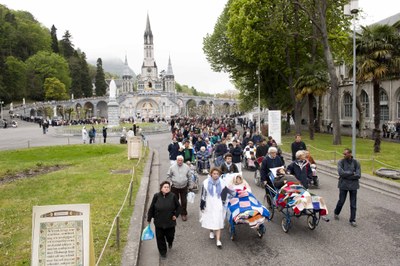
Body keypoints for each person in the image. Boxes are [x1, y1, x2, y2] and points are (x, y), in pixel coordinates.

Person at [147, 181, 181, 259]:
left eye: (168, 187)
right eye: (165, 187)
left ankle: (170, 242)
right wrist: (149, 218)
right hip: (159, 222)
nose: (166, 188)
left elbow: (178, 207)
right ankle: (163, 252)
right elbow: (152, 207)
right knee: (160, 237)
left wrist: (175, 215)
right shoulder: (156, 196)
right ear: (161, 188)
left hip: (170, 222)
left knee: (170, 236)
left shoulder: (173, 196)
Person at [200, 167, 230, 248]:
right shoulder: (206, 182)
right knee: (211, 218)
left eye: (217, 174)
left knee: (217, 219)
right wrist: (202, 205)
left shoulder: (222, 182)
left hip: (218, 203)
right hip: (209, 203)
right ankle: (211, 231)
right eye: (214, 174)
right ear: (211, 174)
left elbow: (226, 193)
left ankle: (218, 240)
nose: (216, 175)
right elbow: (203, 195)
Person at [333, 148, 361, 227]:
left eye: (345, 154)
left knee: (353, 204)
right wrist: (352, 173)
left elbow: (358, 175)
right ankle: (336, 212)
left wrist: (346, 176)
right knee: (341, 201)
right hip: (343, 185)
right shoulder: (341, 162)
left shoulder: (356, 163)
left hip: (353, 186)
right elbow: (341, 173)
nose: (344, 155)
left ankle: (352, 219)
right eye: (343, 154)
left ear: (350, 154)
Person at [167, 155, 192, 221]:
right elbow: (168, 176)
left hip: (184, 186)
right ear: (176, 160)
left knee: (184, 201)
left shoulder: (186, 167)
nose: (180, 161)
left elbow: (189, 177)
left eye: (181, 160)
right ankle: (175, 212)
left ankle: (183, 214)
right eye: (179, 160)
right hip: (175, 186)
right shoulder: (172, 167)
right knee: (175, 200)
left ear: (183, 161)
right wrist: (170, 183)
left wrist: (190, 186)